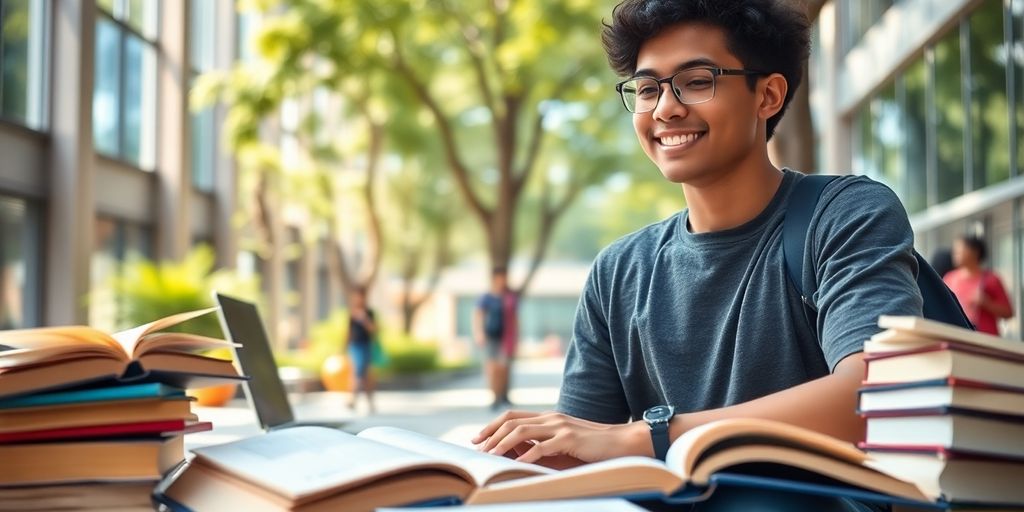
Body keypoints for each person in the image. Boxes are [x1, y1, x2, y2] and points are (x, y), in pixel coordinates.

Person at [473, 1, 920, 509]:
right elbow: (582, 452)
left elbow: (879, 391)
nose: (665, 108)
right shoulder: (618, 272)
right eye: (647, 89)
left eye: (697, 80)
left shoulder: (843, 214)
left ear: (767, 95)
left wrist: (651, 436)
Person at [943, 235, 1013, 336]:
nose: (955, 254)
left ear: (975, 252)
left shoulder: (991, 279)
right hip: (958, 339)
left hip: (988, 340)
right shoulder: (949, 279)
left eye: (959, 250)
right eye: (955, 251)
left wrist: (987, 303)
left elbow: (1008, 313)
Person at [473, 268, 519, 410]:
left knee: (504, 367)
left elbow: (515, 318)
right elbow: (478, 315)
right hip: (490, 337)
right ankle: (495, 397)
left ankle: (503, 395)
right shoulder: (486, 297)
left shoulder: (509, 297)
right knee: (492, 368)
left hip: (506, 338)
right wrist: (479, 333)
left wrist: (517, 337)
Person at [347, 287, 377, 414]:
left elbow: (373, 330)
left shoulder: (369, 313)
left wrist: (364, 319)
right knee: (357, 372)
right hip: (355, 346)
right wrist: (344, 347)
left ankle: (370, 402)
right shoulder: (352, 313)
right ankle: (353, 400)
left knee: (366, 375)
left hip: (366, 345)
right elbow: (348, 332)